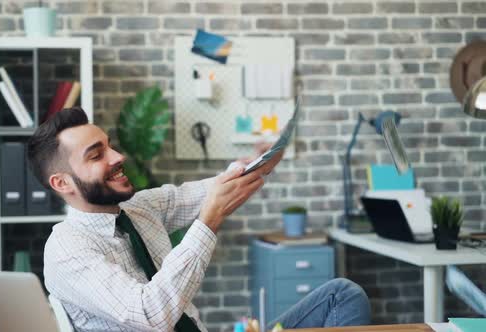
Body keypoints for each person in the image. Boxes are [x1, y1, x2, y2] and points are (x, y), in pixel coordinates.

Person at [27, 107, 371, 332]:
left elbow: (212, 190)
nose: (118, 157)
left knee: (341, 295)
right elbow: (151, 314)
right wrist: (209, 222)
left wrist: (256, 164)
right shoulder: (68, 249)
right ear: (62, 183)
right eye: (97, 155)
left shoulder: (139, 208)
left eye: (110, 145)